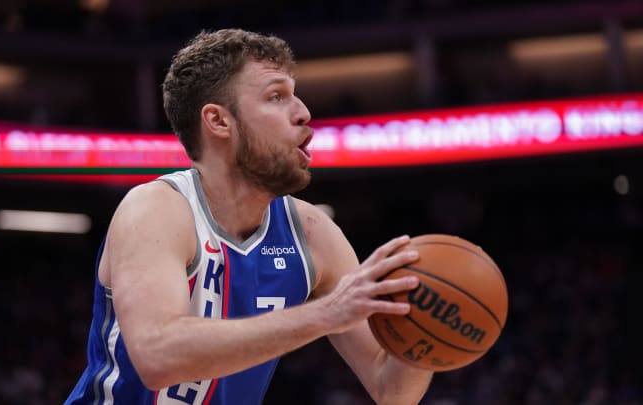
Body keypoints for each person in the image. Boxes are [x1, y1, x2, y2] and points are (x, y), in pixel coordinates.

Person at [64, 28, 434, 405]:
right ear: (219, 121)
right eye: (276, 96)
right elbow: (159, 357)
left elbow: (392, 392)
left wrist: (427, 337)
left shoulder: (312, 233)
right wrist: (328, 313)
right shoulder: (157, 209)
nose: (304, 112)